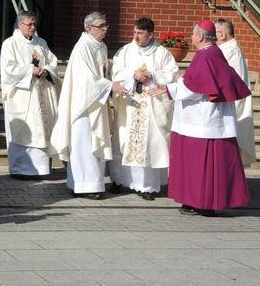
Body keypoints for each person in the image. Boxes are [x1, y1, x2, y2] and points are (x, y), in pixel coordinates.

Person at [165, 20, 251, 216]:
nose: (192, 37)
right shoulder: (213, 53)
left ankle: (203, 203)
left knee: (201, 165)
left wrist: (173, 85)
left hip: (202, 120)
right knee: (196, 164)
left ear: (201, 37)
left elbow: (195, 86)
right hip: (202, 119)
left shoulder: (206, 55)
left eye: (193, 34)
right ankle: (193, 200)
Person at [108, 17, 178, 200]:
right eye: (135, 32)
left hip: (151, 106)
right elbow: (115, 72)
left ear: (151, 34)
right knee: (124, 140)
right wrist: (133, 75)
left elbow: (171, 73)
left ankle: (145, 186)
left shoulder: (162, 53)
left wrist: (152, 75)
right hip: (130, 106)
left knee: (148, 144)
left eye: (141, 33)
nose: (136, 36)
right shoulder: (125, 51)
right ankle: (118, 180)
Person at [49, 12, 118, 199]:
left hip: (97, 102)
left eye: (106, 25)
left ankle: (92, 184)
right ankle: (80, 185)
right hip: (83, 105)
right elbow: (86, 80)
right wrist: (110, 85)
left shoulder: (101, 46)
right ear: (89, 28)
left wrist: (113, 81)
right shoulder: (82, 48)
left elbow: (104, 72)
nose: (105, 29)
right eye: (101, 26)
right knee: (83, 146)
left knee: (93, 144)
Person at [0, 10, 61, 179]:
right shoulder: (10, 44)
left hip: (40, 94)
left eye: (34, 24)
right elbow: (8, 69)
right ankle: (20, 169)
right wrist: (31, 71)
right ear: (20, 25)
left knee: (41, 129)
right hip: (22, 97)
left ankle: (41, 169)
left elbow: (52, 62)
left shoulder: (41, 43)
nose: (33, 27)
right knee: (25, 131)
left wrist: (46, 71)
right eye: (29, 24)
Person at [215, 18, 256, 166]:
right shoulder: (227, 50)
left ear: (222, 35)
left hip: (230, 106)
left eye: (214, 33)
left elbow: (228, 82)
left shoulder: (231, 52)